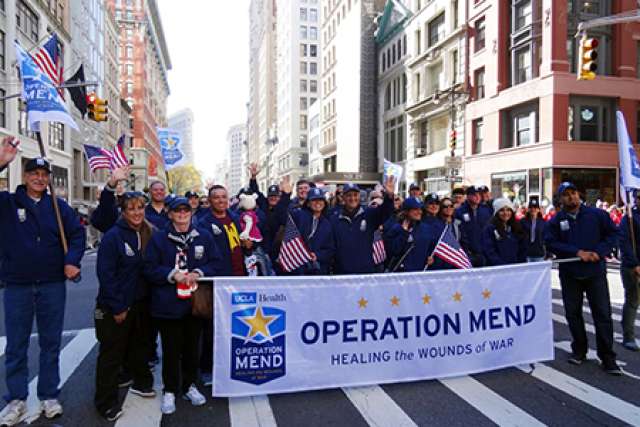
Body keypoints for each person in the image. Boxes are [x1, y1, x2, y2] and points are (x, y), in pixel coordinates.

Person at [0, 137, 86, 426]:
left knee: (50, 343)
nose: (39, 178)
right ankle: (16, 399)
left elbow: (77, 235)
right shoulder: (8, 202)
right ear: (24, 176)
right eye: (34, 174)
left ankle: (49, 394)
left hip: (51, 284)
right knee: (16, 345)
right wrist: (1, 162)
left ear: (48, 179)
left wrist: (72, 260)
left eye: (43, 175)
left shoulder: (59, 207)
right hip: (17, 285)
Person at [144, 197, 222, 414]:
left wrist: (199, 272)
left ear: (191, 213)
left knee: (191, 349)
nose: (181, 214)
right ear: (170, 214)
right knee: (171, 349)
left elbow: (216, 262)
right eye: (177, 211)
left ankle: (189, 385)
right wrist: (172, 274)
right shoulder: (159, 238)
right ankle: (170, 390)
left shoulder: (203, 237)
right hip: (169, 304)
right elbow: (149, 267)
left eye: (185, 211)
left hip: (195, 304)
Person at [545, 182, 621, 374]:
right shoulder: (556, 221)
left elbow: (613, 234)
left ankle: (607, 357)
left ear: (578, 195)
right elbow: (550, 242)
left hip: (595, 272)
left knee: (602, 314)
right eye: (566, 195)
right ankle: (579, 350)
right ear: (560, 199)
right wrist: (577, 252)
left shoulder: (597, 215)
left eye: (574, 193)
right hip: (570, 274)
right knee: (573, 313)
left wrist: (600, 251)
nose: (571, 197)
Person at [94, 192, 155, 421]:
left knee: (138, 348)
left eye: (140, 207)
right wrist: (118, 307)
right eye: (131, 208)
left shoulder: (148, 233)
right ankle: (105, 402)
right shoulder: (113, 237)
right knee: (111, 356)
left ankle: (141, 381)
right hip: (115, 306)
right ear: (123, 211)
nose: (137, 212)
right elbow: (106, 275)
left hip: (140, 304)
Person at [197, 185, 247, 385]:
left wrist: (248, 247)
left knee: (236, 325)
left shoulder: (235, 218)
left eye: (223, 197)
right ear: (209, 201)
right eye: (216, 197)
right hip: (217, 283)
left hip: (239, 279)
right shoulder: (203, 223)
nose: (220, 201)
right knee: (212, 328)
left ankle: (229, 363)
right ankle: (207, 367)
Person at [330, 177, 395, 274]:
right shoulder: (334, 218)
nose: (352, 198)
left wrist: (389, 196)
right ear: (343, 197)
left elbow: (385, 212)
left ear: (359, 196)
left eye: (355, 195)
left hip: (365, 272)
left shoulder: (368, 213)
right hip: (341, 273)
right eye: (349, 195)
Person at [289, 187, 335, 274]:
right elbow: (285, 214)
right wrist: (285, 195)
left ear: (324, 203)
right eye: (314, 200)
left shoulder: (327, 224)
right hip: (298, 268)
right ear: (308, 203)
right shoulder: (299, 216)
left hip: (318, 270)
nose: (318, 203)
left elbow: (330, 249)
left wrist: (317, 255)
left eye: (320, 200)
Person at [385, 197, 437, 272]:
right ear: (406, 211)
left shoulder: (426, 228)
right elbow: (393, 251)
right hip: (401, 274)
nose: (419, 212)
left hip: (421, 273)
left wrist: (430, 257)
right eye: (415, 209)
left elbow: (431, 248)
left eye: (420, 209)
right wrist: (404, 232)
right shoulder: (395, 228)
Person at [617, 189, 640, 351]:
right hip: (632, 267)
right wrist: (635, 264)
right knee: (633, 300)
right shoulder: (629, 219)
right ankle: (628, 335)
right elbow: (624, 244)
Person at [481, 198, 526, 266]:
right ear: (496, 212)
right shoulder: (489, 229)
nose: (505, 213)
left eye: (508, 210)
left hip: (514, 268)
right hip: (498, 269)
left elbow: (522, 248)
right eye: (501, 210)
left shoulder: (516, 227)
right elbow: (489, 251)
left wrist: (520, 263)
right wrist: (501, 265)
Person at [455, 186, 492, 267]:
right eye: (474, 194)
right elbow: (458, 233)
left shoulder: (486, 210)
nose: (478, 197)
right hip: (468, 254)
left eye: (479, 194)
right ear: (468, 196)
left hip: (484, 253)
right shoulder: (459, 211)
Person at [428, 197, 462, 270]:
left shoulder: (457, 224)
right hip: (439, 264)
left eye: (451, 206)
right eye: (445, 206)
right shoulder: (435, 225)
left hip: (455, 262)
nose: (449, 208)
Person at [520, 197, 546, 262]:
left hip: (539, 253)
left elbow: (545, 237)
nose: (533, 209)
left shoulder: (543, 222)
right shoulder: (522, 222)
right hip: (526, 253)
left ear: (538, 209)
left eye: (535, 207)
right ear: (528, 209)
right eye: (531, 207)